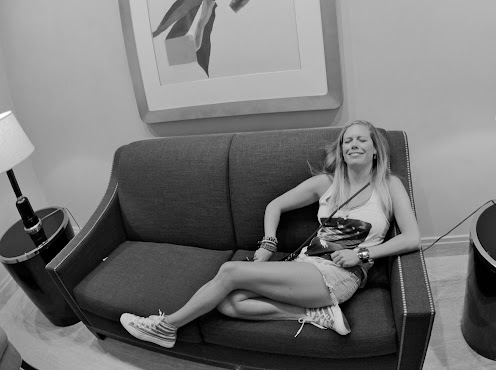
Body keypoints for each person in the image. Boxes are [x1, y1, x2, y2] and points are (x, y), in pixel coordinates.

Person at [120, 120, 421, 348]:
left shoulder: (388, 185)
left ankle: (166, 326)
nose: (353, 145)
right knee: (229, 303)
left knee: (230, 271)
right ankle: (317, 314)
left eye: (361, 139)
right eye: (347, 140)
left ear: (375, 149)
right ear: (341, 150)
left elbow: (411, 238)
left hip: (341, 274)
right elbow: (275, 206)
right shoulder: (325, 183)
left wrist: (362, 254)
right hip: (305, 266)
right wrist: (269, 243)